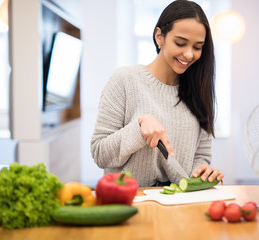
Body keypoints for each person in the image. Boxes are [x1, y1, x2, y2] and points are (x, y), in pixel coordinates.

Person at [90, 0, 224, 187]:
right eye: (180, 43)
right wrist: (139, 127)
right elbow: (100, 154)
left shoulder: (199, 90)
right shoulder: (125, 80)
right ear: (159, 36)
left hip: (179, 201)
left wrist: (201, 173)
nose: (188, 54)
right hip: (131, 199)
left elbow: (201, 156)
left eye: (197, 47)